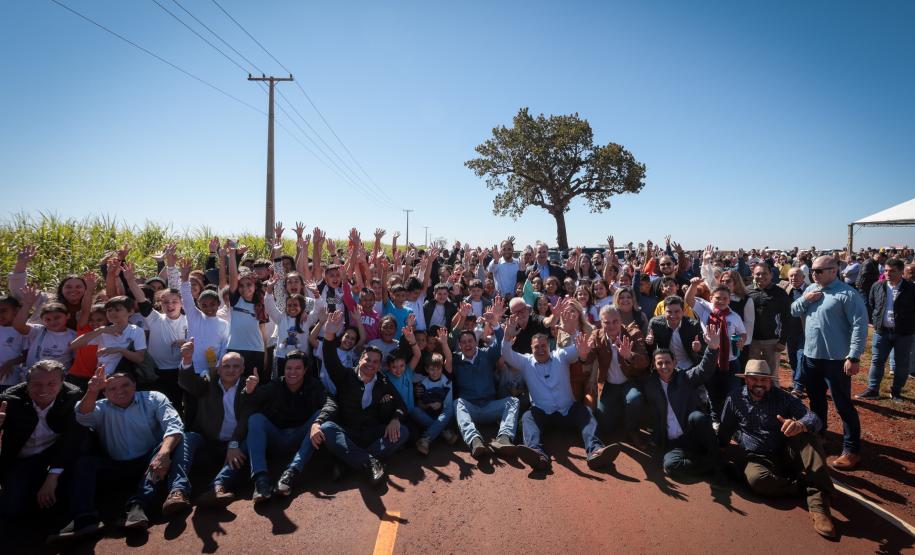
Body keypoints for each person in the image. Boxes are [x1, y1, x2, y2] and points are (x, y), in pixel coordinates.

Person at [57, 366, 189, 540]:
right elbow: (82, 415)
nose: (120, 391)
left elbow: (174, 425)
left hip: (149, 460)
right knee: (85, 463)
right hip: (116, 466)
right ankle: (84, 517)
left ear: (134, 385)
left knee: (180, 440)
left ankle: (138, 507)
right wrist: (91, 391)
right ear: (104, 393)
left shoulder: (154, 398)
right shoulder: (99, 406)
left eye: (125, 385)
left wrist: (163, 454)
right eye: (112, 388)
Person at [718, 360, 837, 538]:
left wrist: (800, 425)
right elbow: (726, 427)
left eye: (764, 380)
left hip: (786, 453)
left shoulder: (784, 398)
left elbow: (814, 418)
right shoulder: (734, 398)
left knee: (808, 435)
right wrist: (719, 449)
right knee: (757, 481)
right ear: (746, 379)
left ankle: (819, 505)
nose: (759, 383)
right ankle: (801, 486)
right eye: (754, 379)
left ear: (770, 381)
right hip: (757, 457)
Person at [501, 316, 620, 472]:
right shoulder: (525, 362)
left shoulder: (561, 356)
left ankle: (595, 452)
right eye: (536, 347)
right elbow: (507, 354)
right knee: (527, 418)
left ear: (549, 347)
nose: (541, 349)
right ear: (531, 349)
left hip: (568, 410)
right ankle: (538, 455)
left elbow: (579, 347)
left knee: (586, 413)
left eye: (543, 346)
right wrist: (507, 337)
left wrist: (572, 331)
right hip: (542, 412)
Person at [312, 311, 409, 485]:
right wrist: (328, 334)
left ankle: (348, 461)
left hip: (371, 433)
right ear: (360, 359)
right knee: (327, 428)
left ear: (380, 365)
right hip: (349, 432)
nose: (371, 364)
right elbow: (331, 360)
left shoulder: (383, 380)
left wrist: (396, 419)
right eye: (367, 360)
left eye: (375, 362)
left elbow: (401, 405)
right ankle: (371, 462)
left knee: (403, 431)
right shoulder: (345, 376)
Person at [790, 255, 868, 471]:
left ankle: (852, 450)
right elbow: (794, 310)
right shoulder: (811, 290)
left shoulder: (847, 294)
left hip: (837, 360)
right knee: (816, 401)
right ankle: (819, 435)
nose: (814, 274)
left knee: (843, 406)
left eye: (819, 271)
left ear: (834, 270)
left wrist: (853, 356)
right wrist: (806, 299)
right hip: (812, 356)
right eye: (813, 271)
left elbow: (860, 327)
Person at [0, 361, 85, 522]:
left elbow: (71, 439)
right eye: (37, 384)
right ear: (27, 383)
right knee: (11, 510)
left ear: (62, 383)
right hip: (22, 458)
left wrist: (52, 477)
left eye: (51, 383)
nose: (44, 390)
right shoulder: (9, 399)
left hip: (53, 455)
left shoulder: (72, 397)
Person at [237, 349, 326, 502]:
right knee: (256, 419)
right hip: (277, 438)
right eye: (289, 368)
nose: (293, 372)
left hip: (301, 438)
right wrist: (249, 390)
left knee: (320, 415)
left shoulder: (314, 385)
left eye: (298, 368)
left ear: (305, 370)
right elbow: (254, 399)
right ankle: (260, 481)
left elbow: (329, 403)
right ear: (284, 369)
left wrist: (317, 423)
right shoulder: (276, 384)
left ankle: (291, 473)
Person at [642, 324, 721, 480]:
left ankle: (713, 455)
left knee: (697, 417)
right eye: (659, 363)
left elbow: (703, 370)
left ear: (675, 363)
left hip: (693, 434)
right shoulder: (649, 385)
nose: (664, 366)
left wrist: (712, 348)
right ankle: (711, 464)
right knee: (671, 466)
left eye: (667, 362)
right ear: (654, 365)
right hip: (674, 443)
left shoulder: (684, 378)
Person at [177, 345, 248, 507]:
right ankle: (178, 491)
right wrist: (187, 360)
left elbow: (246, 419)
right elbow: (187, 382)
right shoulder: (208, 383)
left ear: (243, 369)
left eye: (236, 366)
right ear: (219, 368)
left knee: (248, 443)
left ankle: (216, 488)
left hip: (233, 447)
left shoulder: (248, 387)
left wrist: (234, 443)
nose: (231, 370)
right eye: (226, 366)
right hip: (207, 443)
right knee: (188, 438)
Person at [451, 298, 520, 460]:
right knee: (457, 403)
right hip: (471, 409)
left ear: (476, 342)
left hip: (490, 407)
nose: (467, 345)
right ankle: (475, 441)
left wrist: (495, 324)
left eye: (470, 341)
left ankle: (503, 438)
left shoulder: (486, 354)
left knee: (513, 401)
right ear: (459, 346)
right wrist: (461, 318)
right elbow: (448, 341)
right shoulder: (455, 359)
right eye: (463, 343)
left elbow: (500, 344)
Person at [585, 305, 649, 446]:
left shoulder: (633, 333)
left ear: (620, 320)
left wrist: (629, 356)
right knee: (606, 426)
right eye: (606, 322)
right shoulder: (596, 335)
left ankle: (633, 430)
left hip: (629, 382)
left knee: (634, 399)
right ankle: (620, 416)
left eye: (615, 321)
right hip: (609, 385)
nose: (611, 326)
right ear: (601, 323)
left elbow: (645, 362)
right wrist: (583, 354)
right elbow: (588, 359)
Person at [858, 257, 913, 402]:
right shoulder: (877, 286)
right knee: (877, 360)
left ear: (901, 272)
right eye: (886, 270)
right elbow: (872, 303)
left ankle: (896, 392)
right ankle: (873, 389)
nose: (888, 274)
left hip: (904, 333)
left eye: (892, 271)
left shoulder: (911, 289)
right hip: (882, 332)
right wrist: (875, 320)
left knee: (901, 363)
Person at [412, 328, 458, 455]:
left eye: (438, 369)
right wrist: (429, 405)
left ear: (441, 368)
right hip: (430, 415)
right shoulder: (423, 383)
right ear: (427, 369)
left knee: (451, 408)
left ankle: (426, 439)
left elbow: (448, 358)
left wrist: (444, 343)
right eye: (432, 369)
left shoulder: (446, 377)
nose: (435, 372)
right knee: (414, 410)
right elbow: (421, 405)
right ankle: (443, 432)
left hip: (445, 415)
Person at [746, 263, 790, 384]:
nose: (761, 276)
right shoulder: (747, 291)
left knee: (771, 374)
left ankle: (775, 399)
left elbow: (787, 318)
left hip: (772, 341)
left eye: (764, 273)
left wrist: (782, 341)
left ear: (771, 275)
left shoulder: (780, 293)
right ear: (753, 275)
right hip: (751, 340)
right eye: (758, 274)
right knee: (751, 372)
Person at [644, 296, 705, 370]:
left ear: (683, 311)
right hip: (666, 366)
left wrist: (698, 349)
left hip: (689, 366)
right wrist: (650, 343)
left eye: (677, 311)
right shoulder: (655, 324)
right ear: (664, 312)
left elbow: (703, 352)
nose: (673, 316)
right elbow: (650, 352)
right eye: (669, 312)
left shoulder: (693, 325)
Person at [782, 267, 808, 397]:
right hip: (789, 331)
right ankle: (797, 381)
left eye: (797, 275)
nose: (793, 278)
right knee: (792, 359)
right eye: (791, 276)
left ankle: (798, 386)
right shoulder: (785, 289)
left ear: (803, 277)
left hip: (805, 331)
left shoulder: (810, 289)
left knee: (801, 356)